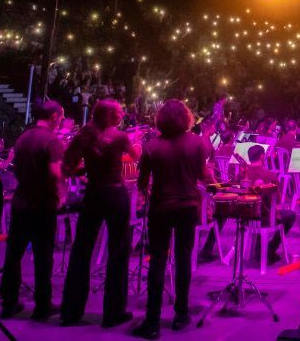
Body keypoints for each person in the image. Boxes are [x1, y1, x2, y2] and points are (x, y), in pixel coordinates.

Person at [133, 100, 213, 339]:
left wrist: (146, 192)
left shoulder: (151, 145)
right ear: (186, 117)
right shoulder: (197, 142)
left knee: (157, 262)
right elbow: (202, 174)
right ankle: (181, 314)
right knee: (183, 260)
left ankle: (152, 321)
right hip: (188, 206)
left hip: (160, 206)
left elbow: (142, 181)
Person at [60, 99, 140, 328]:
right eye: (119, 111)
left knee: (82, 249)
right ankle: (113, 313)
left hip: (93, 193)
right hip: (115, 194)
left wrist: (88, 169)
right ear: (111, 116)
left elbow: (68, 166)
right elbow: (136, 157)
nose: (123, 113)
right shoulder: (120, 137)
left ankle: (71, 311)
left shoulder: (85, 133)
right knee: (118, 251)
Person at [0, 101, 66, 320]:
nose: (62, 121)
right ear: (54, 116)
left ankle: (9, 303)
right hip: (43, 202)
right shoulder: (51, 141)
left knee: (14, 254)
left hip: (21, 201)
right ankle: (42, 305)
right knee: (43, 255)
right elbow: (56, 173)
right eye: (62, 116)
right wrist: (62, 194)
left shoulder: (23, 138)